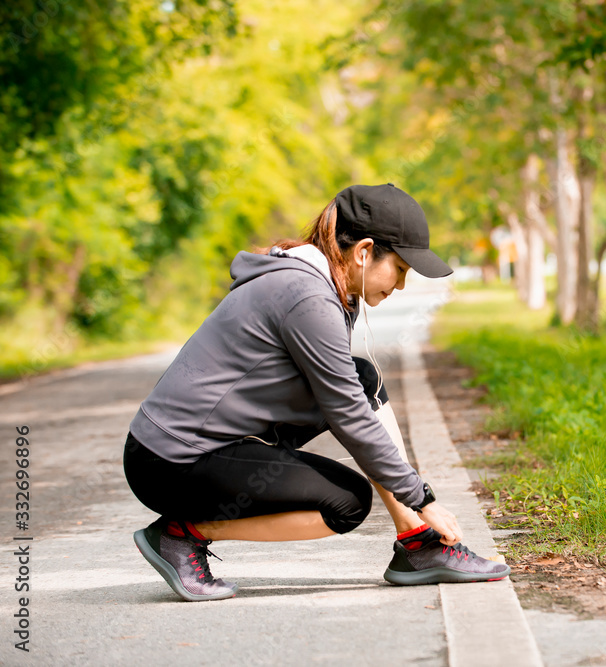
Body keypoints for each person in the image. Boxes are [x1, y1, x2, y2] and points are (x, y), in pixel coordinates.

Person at [123, 183, 510, 602]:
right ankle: (179, 535)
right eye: (399, 268)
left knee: (363, 379)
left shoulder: (324, 285)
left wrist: (413, 502)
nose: (400, 285)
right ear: (364, 252)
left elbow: (346, 396)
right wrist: (421, 497)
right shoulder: (307, 295)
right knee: (346, 502)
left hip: (210, 443)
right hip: (171, 461)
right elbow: (349, 415)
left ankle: (419, 545)